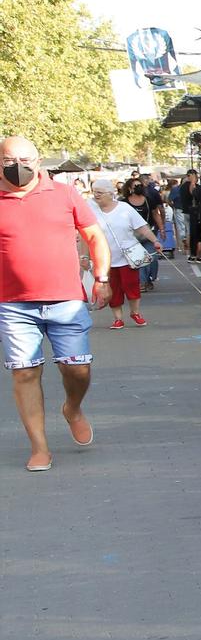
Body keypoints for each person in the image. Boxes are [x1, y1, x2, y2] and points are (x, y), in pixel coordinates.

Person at [0, 137, 111, 473]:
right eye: (9, 158)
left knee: (77, 369)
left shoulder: (64, 193)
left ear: (38, 160)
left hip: (67, 300)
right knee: (25, 373)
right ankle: (40, 448)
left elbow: (94, 235)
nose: (18, 164)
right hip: (13, 305)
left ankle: (73, 408)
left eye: (25, 158)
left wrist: (102, 278)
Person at [100, 180, 162, 329]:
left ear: (110, 193)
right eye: (94, 192)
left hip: (127, 256)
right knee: (113, 289)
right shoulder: (91, 210)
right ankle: (118, 318)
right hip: (105, 257)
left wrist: (155, 240)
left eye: (99, 192)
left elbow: (142, 227)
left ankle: (135, 313)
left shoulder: (124, 208)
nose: (96, 195)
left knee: (132, 286)